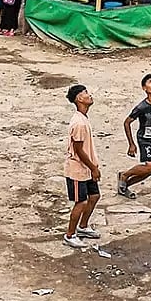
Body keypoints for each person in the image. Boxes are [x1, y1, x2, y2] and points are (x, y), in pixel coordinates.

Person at [117, 73, 151, 200]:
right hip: (145, 140)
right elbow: (127, 122)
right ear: (144, 88)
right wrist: (131, 144)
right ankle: (124, 175)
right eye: (150, 82)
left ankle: (124, 185)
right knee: (150, 166)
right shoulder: (141, 107)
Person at [63, 84, 102, 249]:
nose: (89, 95)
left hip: (86, 167)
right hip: (78, 169)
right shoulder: (79, 123)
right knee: (81, 202)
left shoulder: (83, 119)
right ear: (79, 98)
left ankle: (83, 226)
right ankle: (70, 235)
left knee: (94, 196)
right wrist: (93, 168)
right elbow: (78, 150)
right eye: (86, 92)